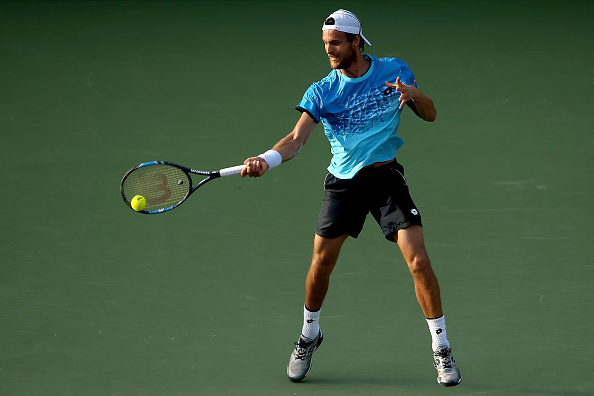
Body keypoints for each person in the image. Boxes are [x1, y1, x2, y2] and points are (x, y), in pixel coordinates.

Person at [240, 9, 461, 387]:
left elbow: (431, 114)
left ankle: (441, 347)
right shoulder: (322, 91)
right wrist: (267, 159)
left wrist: (415, 94)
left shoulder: (395, 70)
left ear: (356, 41)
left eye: (336, 43)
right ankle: (309, 334)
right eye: (326, 44)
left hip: (386, 178)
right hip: (344, 184)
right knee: (321, 264)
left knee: (419, 260)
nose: (329, 50)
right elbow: (295, 140)